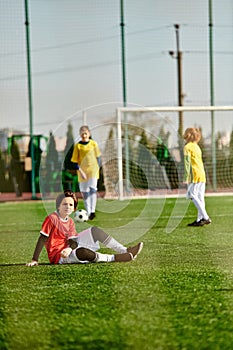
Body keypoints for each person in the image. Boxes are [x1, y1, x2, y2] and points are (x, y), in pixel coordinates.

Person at [26, 190, 143, 266]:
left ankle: (125, 250)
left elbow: (73, 242)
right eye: (64, 204)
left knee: (95, 231)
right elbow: (42, 238)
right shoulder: (52, 218)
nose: (68, 207)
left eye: (71, 205)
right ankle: (115, 258)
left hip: (68, 248)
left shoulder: (70, 221)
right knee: (83, 253)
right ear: (58, 205)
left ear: (74, 209)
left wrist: (70, 248)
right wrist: (35, 260)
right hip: (59, 256)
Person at [183, 127, 211, 226]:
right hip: (201, 173)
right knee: (200, 197)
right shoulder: (196, 146)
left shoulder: (187, 147)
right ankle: (200, 220)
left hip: (195, 174)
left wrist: (186, 177)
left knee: (191, 195)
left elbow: (187, 163)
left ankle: (206, 217)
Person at [71, 125, 100, 220]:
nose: (84, 135)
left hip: (93, 170)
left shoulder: (93, 144)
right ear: (80, 134)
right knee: (85, 192)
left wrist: (97, 168)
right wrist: (81, 171)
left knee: (93, 190)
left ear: (89, 133)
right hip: (82, 172)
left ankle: (92, 211)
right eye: (82, 133)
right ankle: (88, 211)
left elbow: (98, 157)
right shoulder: (77, 146)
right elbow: (74, 161)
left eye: (86, 133)